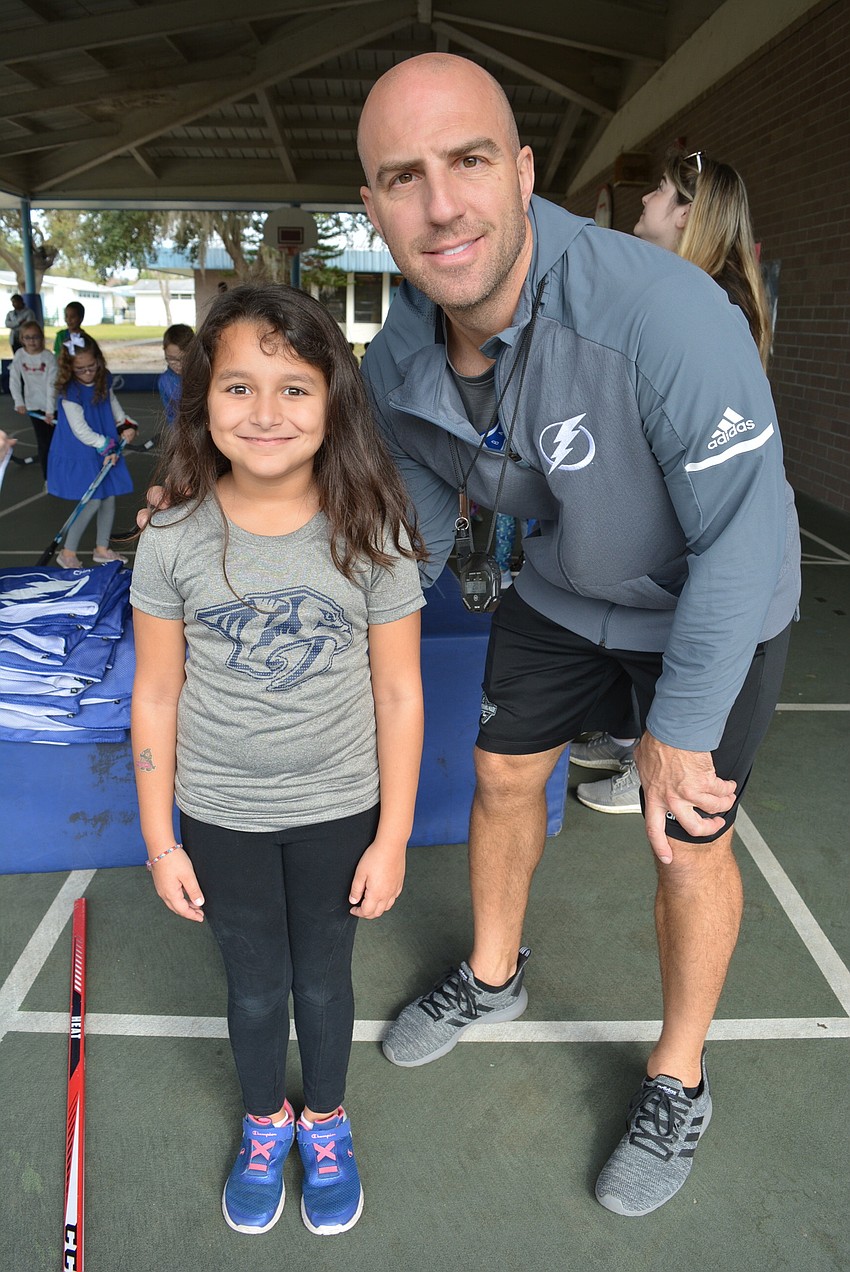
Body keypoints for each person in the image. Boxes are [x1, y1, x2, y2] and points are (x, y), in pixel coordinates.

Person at [356, 54, 800, 1217]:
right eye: (402, 177)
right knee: (502, 773)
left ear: (521, 171)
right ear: (372, 209)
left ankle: (677, 1078)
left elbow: (742, 534)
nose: (440, 205)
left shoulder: (662, 313)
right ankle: (491, 973)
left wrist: (679, 726)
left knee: (685, 834)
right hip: (565, 586)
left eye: (466, 161)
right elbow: (411, 528)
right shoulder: (396, 359)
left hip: (711, 594)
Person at [130, 283, 425, 1238]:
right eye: (239, 387)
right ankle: (267, 1124)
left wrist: (392, 836)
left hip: (340, 810)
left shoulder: (372, 532)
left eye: (294, 387)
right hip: (220, 816)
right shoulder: (173, 539)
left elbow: (399, 693)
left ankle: (325, 1121)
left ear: (334, 401)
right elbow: (156, 694)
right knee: (255, 983)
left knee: (325, 980)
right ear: (203, 402)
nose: (266, 413)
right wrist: (161, 842)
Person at [574, 149, 775, 815]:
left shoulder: (712, 306)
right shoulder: (673, 290)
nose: (645, 199)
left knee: (679, 637)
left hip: (693, 528)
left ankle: (651, 764)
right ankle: (631, 742)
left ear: (688, 212)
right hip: (658, 527)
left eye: (660, 190)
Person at [48, 332, 137, 568]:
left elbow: (113, 404)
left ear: (98, 360)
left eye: (92, 366)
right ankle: (68, 553)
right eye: (80, 369)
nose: (88, 373)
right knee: (93, 500)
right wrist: (105, 444)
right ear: (69, 368)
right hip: (82, 449)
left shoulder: (102, 378)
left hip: (103, 440)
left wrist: (124, 425)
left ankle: (101, 549)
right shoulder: (70, 391)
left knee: (108, 496)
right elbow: (80, 429)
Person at [9, 321, 57, 479]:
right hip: (34, 406)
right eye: (27, 337)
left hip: (52, 407)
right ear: (22, 339)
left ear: (41, 338)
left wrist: (50, 410)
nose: (31, 341)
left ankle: (61, 473)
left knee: (56, 442)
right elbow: (14, 380)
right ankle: (48, 477)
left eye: (35, 337)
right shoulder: (20, 355)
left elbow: (52, 385)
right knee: (43, 443)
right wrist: (19, 402)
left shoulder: (48, 357)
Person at [157, 322, 194, 426]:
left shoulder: (204, 374)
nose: (178, 364)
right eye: (171, 359)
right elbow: (171, 415)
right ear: (164, 351)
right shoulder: (164, 381)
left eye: (183, 359)